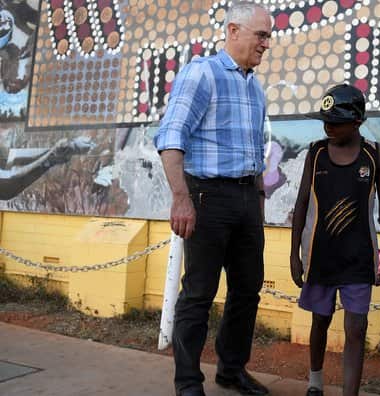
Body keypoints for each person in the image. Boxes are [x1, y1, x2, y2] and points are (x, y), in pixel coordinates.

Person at [152, 2, 272, 396]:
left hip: (245, 199)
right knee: (199, 292)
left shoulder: (254, 87)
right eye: (261, 35)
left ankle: (231, 370)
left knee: (248, 289)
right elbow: (171, 137)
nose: (266, 44)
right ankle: (188, 382)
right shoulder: (202, 73)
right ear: (233, 31)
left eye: (268, 36)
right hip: (205, 197)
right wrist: (180, 198)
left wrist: (258, 202)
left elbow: (255, 152)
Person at [290, 84, 380, 396]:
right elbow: (300, 204)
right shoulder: (316, 152)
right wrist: (295, 254)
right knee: (320, 321)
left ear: (358, 121)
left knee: (356, 328)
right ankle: (315, 381)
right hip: (321, 257)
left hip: (358, 258)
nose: (328, 127)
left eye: (335, 121)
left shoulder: (376, 155)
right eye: (325, 121)